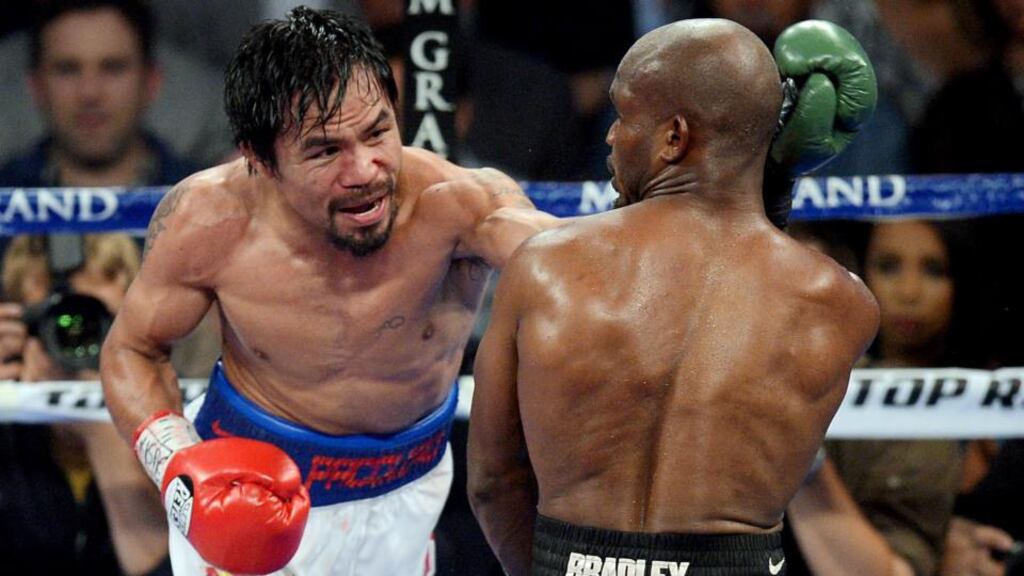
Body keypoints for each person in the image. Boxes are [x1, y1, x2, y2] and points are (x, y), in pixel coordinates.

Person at [98, 8, 560, 576]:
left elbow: (586, 277)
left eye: (378, 132)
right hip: (244, 494)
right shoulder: (207, 219)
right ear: (259, 158)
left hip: (407, 493)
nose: (365, 169)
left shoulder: (461, 205)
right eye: (325, 151)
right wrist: (179, 467)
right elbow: (132, 349)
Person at [467, 18, 880, 576]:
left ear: (674, 137)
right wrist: (772, 181)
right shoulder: (842, 306)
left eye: (624, 115)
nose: (611, 136)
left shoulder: (546, 267)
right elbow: (732, 304)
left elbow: (494, 484)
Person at [0, 234, 170, 576]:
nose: (75, 340)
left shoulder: (176, 425)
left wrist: (104, 431)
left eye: (96, 322)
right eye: (57, 321)